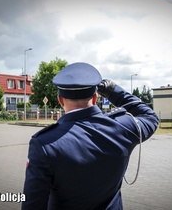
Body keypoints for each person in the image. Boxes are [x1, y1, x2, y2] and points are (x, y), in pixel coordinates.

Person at [22, 62, 159, 210]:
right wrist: (113, 91)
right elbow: (150, 117)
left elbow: (33, 204)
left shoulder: (44, 143)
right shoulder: (122, 127)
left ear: (60, 100)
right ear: (95, 98)